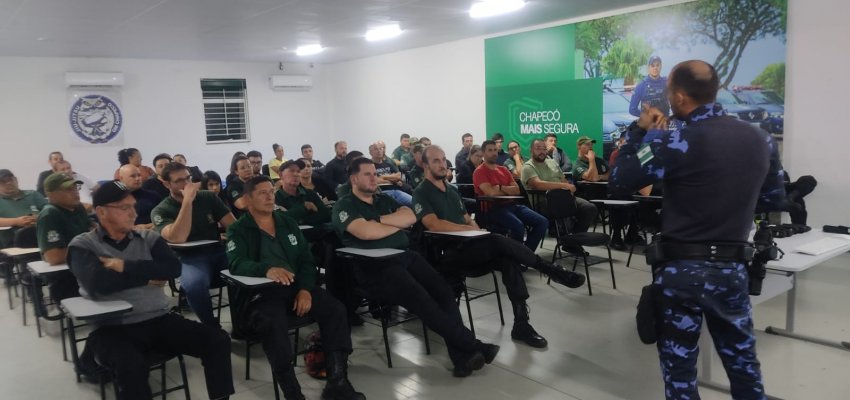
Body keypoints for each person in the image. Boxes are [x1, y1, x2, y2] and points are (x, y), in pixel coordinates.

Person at [610, 60, 785, 400]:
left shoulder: (673, 140)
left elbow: (620, 180)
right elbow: (772, 198)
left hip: (680, 274)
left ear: (678, 95)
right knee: (744, 368)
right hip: (732, 270)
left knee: (680, 373)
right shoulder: (761, 139)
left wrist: (642, 132)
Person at [332, 157, 500, 377]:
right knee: (424, 301)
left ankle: (463, 357)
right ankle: (473, 346)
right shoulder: (344, 205)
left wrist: (378, 221)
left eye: (375, 173)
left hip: (405, 256)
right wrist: (392, 223)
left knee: (444, 293)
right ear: (354, 178)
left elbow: (411, 216)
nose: (375, 178)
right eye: (368, 174)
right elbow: (365, 233)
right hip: (376, 267)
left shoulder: (382, 199)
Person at [68, 181, 234, 400]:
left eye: (133, 206)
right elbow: (97, 284)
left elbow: (173, 268)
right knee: (132, 366)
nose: (133, 213)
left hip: (159, 319)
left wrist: (124, 265)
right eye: (124, 208)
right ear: (101, 212)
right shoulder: (83, 245)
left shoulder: (148, 238)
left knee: (218, 340)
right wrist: (147, 276)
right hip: (113, 327)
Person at [413, 146, 585, 348]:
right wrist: (468, 230)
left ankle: (521, 324)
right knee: (496, 240)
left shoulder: (451, 190)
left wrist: (476, 232)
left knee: (507, 259)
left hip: (469, 247)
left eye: (443, 159)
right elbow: (433, 224)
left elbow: (468, 219)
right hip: (446, 254)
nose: (442, 164)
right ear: (424, 164)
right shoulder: (421, 192)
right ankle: (549, 269)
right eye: (436, 161)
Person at [227, 176, 365, 400]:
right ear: (248, 199)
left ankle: (337, 382)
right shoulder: (239, 229)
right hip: (262, 293)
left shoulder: (286, 222)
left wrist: (305, 289)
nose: (269, 196)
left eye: (271, 191)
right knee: (274, 322)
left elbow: (306, 260)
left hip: (294, 287)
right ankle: (292, 392)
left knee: (336, 310)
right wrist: (266, 269)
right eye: (262, 192)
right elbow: (236, 263)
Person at [151, 162, 236, 326]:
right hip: (188, 258)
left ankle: (244, 321)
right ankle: (211, 325)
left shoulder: (208, 197)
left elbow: (234, 226)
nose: (187, 184)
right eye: (179, 181)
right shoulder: (161, 210)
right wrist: (187, 202)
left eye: (188, 178)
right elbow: (178, 237)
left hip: (218, 251)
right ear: (167, 184)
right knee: (193, 285)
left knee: (249, 269)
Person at [473, 140, 548, 251]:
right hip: (492, 209)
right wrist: (507, 189)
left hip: (512, 205)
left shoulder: (503, 169)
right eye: (490, 150)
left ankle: (525, 254)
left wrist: (500, 187)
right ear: (483, 153)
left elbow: (517, 190)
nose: (494, 153)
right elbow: (491, 193)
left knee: (542, 222)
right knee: (518, 227)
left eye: (495, 150)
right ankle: (518, 256)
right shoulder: (479, 171)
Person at [520, 139, 598, 233]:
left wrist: (567, 188)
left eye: (544, 149)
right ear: (531, 150)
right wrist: (564, 185)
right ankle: (567, 238)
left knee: (589, 208)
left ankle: (573, 240)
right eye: (538, 148)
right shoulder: (527, 166)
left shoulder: (552, 162)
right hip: (543, 202)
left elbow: (563, 179)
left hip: (563, 197)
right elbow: (538, 184)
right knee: (563, 207)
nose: (542, 151)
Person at [37, 172, 92, 302]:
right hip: (65, 277)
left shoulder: (78, 208)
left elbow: (93, 232)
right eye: (68, 189)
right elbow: (53, 257)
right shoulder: (49, 214)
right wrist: (92, 249)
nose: (75, 192)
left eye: (75, 188)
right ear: (51, 194)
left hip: (86, 268)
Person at [275, 160, 331, 226]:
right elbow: (279, 220)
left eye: (298, 171)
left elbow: (326, 215)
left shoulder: (310, 193)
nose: (296, 174)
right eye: (292, 171)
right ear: (281, 175)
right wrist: (304, 207)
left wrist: (301, 220)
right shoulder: (275, 198)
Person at [0, 169, 47, 248]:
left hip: (42, 236)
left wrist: (38, 217)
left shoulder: (32, 194)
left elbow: (50, 210)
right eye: (3, 182)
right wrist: (17, 221)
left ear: (16, 180)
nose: (8, 183)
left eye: (10, 180)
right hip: (12, 243)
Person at [116, 164, 161, 229]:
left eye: (139, 175)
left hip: (153, 233)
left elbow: (164, 218)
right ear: (121, 178)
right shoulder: (115, 199)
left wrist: (146, 226)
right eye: (133, 176)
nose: (137, 178)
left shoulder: (153, 196)